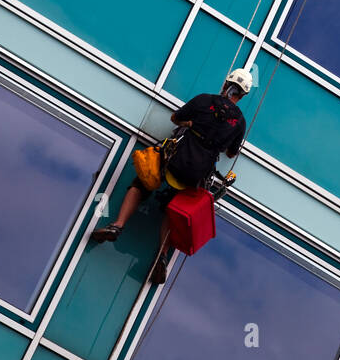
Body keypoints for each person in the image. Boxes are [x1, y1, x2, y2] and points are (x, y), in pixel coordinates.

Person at [91, 68, 252, 284]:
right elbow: (232, 152)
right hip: (198, 173)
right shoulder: (239, 122)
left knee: (140, 184)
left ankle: (117, 225)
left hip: (175, 160)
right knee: (174, 207)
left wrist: (191, 124)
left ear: (225, 85)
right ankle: (162, 256)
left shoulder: (205, 100)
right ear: (242, 96)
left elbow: (176, 118)